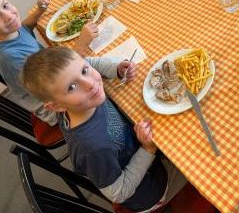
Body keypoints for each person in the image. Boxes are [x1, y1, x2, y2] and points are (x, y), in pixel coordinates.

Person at [22, 47, 188, 212]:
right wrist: (148, 149)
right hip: (151, 188)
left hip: (137, 146)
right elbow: (119, 193)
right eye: (71, 87)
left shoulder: (80, 104)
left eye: (84, 71)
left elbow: (88, 61)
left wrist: (116, 69)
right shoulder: (92, 149)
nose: (90, 84)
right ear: (56, 106)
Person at [0, 0, 97, 144]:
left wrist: (40, 10)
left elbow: (25, 28)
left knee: (97, 66)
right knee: (98, 82)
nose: (8, 16)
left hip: (55, 77)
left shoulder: (10, 32)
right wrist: (81, 45)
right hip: (55, 105)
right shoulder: (10, 57)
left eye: (5, 5)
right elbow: (59, 80)